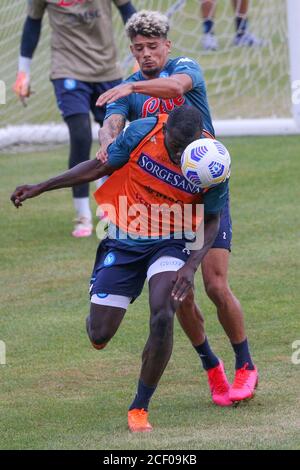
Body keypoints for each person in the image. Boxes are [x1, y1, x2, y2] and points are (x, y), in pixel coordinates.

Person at [11, 105, 231, 432]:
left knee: (162, 312)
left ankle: (139, 407)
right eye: (171, 146)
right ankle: (105, 278)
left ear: (196, 139)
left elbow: (212, 220)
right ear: (164, 129)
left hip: (171, 241)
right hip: (125, 237)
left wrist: (190, 266)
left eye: (181, 150)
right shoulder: (142, 133)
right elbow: (98, 167)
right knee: (98, 335)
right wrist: (41, 186)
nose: (175, 154)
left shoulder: (211, 160)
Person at [95, 10, 258, 404]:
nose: (146, 54)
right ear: (132, 50)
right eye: (138, 49)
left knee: (215, 284)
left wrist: (133, 90)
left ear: (167, 45)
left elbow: (174, 87)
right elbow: (113, 121)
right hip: (166, 206)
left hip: (206, 193)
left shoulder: (184, 70)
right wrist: (106, 140)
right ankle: (211, 366)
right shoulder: (129, 87)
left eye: (153, 46)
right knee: (177, 294)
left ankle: (246, 364)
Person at [13, 0, 136, 238]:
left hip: (107, 70)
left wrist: (140, 52)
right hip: (67, 70)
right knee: (79, 135)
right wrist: (23, 72)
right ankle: (82, 215)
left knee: (115, 139)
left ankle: (108, 202)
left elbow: (127, 10)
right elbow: (32, 23)